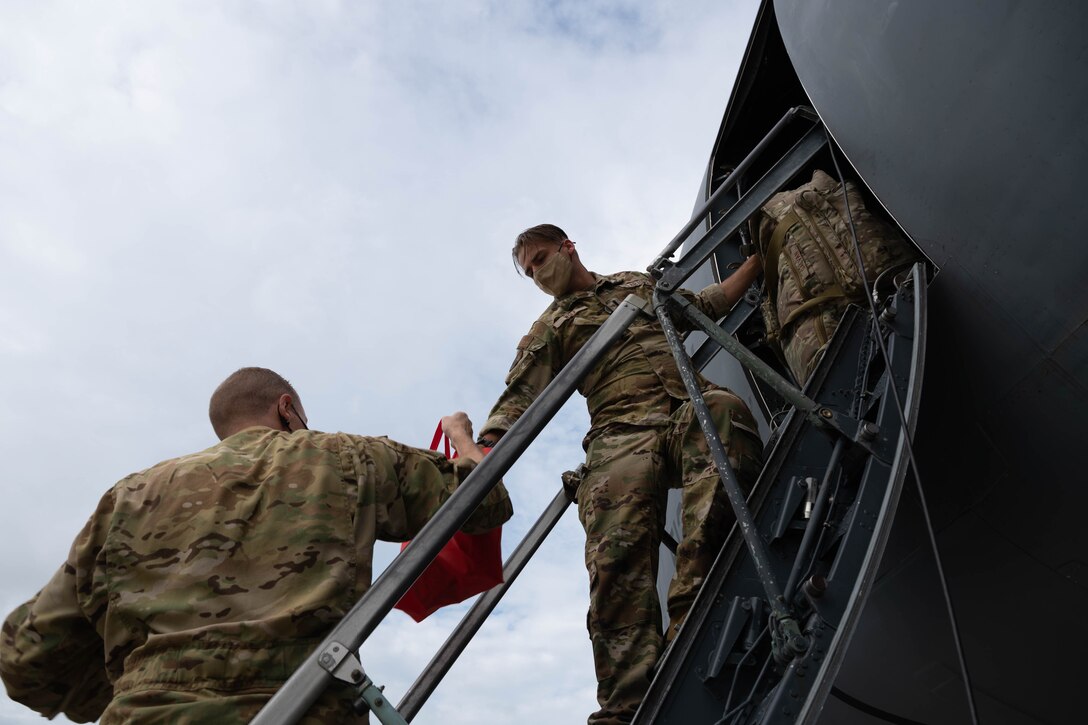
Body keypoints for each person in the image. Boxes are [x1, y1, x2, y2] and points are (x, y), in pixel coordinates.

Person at [0, 367, 512, 724]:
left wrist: (149, 693)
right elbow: (483, 504)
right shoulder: (347, 457)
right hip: (306, 710)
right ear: (287, 409)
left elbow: (24, 659)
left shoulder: (128, 497)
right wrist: (464, 440)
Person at [477, 224, 764, 724]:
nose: (538, 276)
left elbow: (705, 304)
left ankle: (693, 606)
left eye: (542, 260)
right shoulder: (551, 326)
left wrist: (758, 261)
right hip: (619, 437)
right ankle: (624, 707)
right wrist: (482, 451)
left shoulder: (636, 284)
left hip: (682, 412)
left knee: (721, 409)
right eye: (529, 273)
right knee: (616, 564)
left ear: (569, 247)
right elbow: (518, 397)